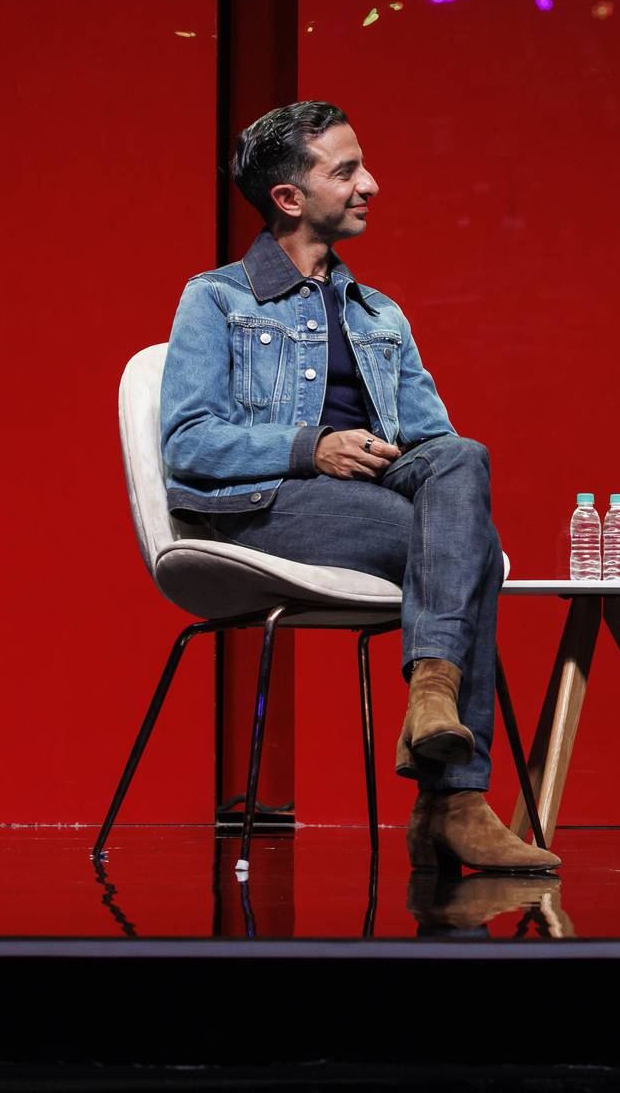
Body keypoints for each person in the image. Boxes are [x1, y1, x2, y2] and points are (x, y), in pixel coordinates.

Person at [161, 100, 558, 874]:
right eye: (345, 171)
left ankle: (433, 701)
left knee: (463, 458)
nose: (369, 184)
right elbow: (188, 446)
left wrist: (415, 465)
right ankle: (456, 802)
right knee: (469, 551)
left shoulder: (381, 315)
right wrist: (312, 447)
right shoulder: (216, 299)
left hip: (371, 501)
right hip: (263, 509)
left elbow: (435, 446)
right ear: (288, 197)